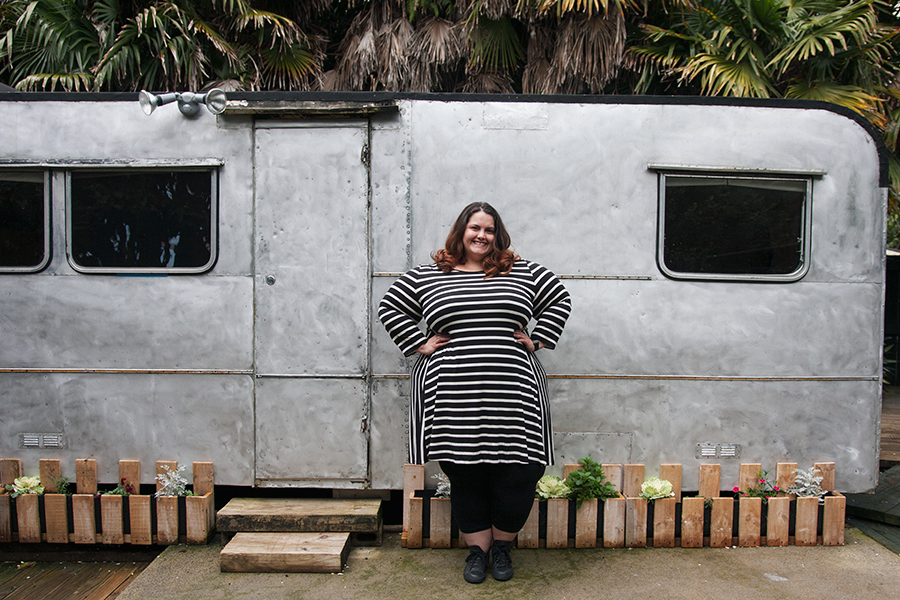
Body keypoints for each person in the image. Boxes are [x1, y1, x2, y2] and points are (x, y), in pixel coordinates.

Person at [379, 202, 572, 584]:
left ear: (497, 235)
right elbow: (391, 307)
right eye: (474, 228)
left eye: (489, 229)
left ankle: (502, 547)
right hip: (452, 391)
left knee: (521, 472)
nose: (481, 236)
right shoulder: (431, 274)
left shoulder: (521, 271)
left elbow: (559, 299)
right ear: (461, 231)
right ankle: (477, 554)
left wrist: (539, 340)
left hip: (514, 390)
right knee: (465, 473)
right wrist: (420, 343)